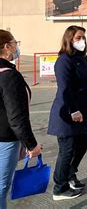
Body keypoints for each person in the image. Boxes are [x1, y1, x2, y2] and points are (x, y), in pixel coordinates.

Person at [47, 26, 87, 201]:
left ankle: (70, 173)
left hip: (81, 108)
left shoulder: (82, 58)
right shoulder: (64, 60)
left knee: (85, 141)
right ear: (69, 39)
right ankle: (59, 188)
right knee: (67, 150)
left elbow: (86, 83)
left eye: (84, 38)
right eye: (79, 38)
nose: (83, 41)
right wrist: (73, 110)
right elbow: (64, 88)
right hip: (67, 111)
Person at [0, 30, 42, 208]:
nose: (17, 47)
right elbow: (17, 117)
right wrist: (31, 144)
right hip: (5, 138)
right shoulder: (8, 75)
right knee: (1, 189)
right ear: (7, 47)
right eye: (15, 43)